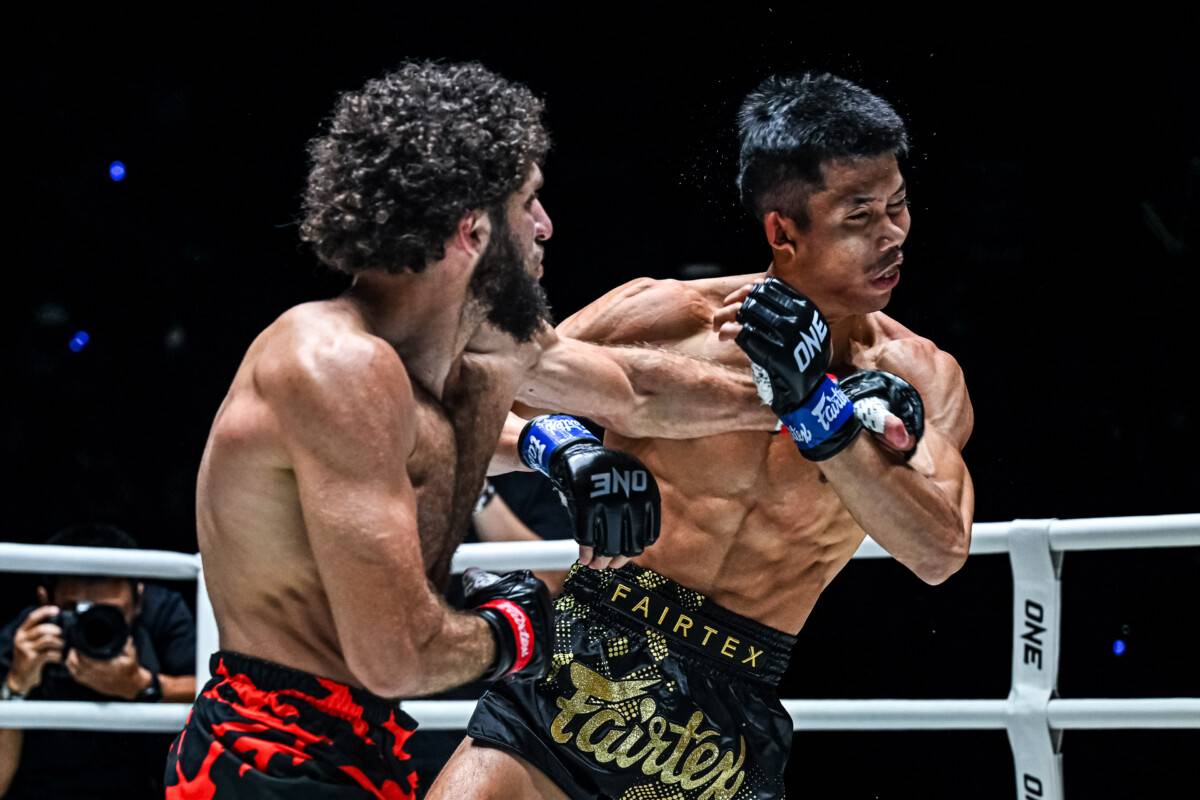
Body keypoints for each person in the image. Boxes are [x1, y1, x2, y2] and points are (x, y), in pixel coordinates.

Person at [165, 61, 777, 799]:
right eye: (528, 202)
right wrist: (522, 628)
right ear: (472, 228)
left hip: (365, 744)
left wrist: (810, 402)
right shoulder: (335, 366)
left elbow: (636, 391)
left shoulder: (482, 342)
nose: (546, 226)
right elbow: (397, 656)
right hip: (266, 755)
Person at [431, 72, 975, 800]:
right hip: (581, 656)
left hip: (723, 717)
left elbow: (940, 552)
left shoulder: (919, 374)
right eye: (859, 215)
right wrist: (559, 445)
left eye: (898, 206)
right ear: (783, 230)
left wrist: (818, 411)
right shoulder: (664, 318)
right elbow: (459, 407)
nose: (892, 234)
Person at [0, 523, 196, 799]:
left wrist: (143, 686)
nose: (92, 624)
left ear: (139, 600)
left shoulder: (161, 613)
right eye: (75, 611)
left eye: (108, 613)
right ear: (45, 601)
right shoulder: (28, 637)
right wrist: (16, 686)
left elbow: (213, 692)